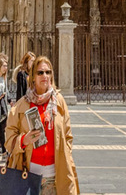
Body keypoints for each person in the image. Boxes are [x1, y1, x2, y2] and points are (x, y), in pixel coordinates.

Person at [5, 55, 79, 195]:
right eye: (40, 72)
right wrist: (23, 140)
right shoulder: (21, 105)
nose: (44, 75)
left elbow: (68, 136)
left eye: (48, 72)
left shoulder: (59, 102)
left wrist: (65, 156)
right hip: (28, 175)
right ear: (33, 76)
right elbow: (9, 140)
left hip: (55, 175)